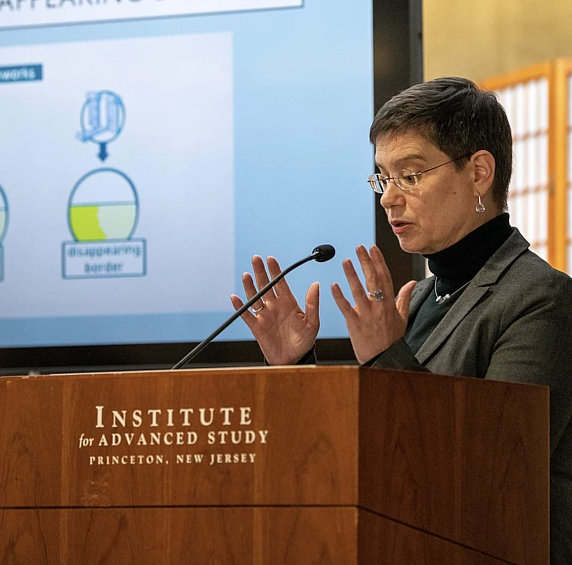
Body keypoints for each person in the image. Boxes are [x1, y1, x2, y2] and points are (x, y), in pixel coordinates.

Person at [231, 77, 572, 564]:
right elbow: (364, 459)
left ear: (479, 172)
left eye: (409, 176)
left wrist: (387, 356)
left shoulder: (541, 300)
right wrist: (296, 368)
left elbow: (495, 476)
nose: (388, 198)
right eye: (382, 178)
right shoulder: (417, 302)